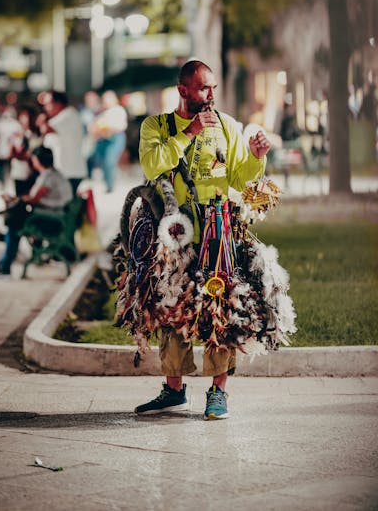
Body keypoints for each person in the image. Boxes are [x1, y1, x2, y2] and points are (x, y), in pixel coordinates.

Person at [132, 60, 271, 420]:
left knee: (219, 306)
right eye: (202, 89)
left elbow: (240, 180)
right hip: (173, 234)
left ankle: (217, 392)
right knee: (171, 306)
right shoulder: (156, 126)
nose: (210, 95)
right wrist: (187, 133)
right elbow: (152, 166)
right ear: (182, 91)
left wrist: (256, 158)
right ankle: (174, 390)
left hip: (217, 229)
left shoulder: (227, 125)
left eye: (213, 88)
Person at [0, 146, 72, 277]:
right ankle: (4, 263)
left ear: (37, 160)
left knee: (14, 225)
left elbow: (34, 199)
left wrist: (15, 199)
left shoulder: (48, 177)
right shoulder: (55, 174)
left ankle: (5, 265)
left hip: (50, 219)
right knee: (15, 223)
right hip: (56, 216)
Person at [38, 90, 87, 195]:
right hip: (64, 172)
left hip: (70, 172)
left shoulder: (68, 115)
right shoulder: (60, 117)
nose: (45, 107)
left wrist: (42, 119)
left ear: (58, 103)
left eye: (47, 104)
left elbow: (45, 129)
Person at [88, 90, 127, 192]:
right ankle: (107, 183)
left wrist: (107, 128)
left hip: (115, 138)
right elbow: (94, 126)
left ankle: (110, 185)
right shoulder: (102, 112)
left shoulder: (119, 110)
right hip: (104, 139)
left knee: (109, 161)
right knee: (102, 161)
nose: (106, 101)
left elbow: (120, 126)